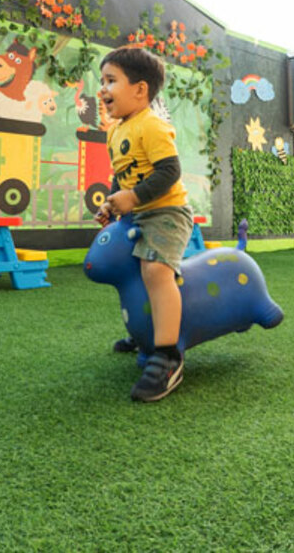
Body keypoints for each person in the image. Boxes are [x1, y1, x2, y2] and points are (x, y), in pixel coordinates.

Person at [94, 46, 194, 402]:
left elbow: (170, 172)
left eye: (111, 80)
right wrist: (112, 203)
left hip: (167, 212)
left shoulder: (151, 125)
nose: (103, 89)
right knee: (128, 268)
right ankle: (143, 331)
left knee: (154, 271)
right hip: (137, 212)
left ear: (140, 90)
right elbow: (121, 175)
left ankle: (167, 355)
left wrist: (133, 197)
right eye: (102, 81)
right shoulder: (115, 131)